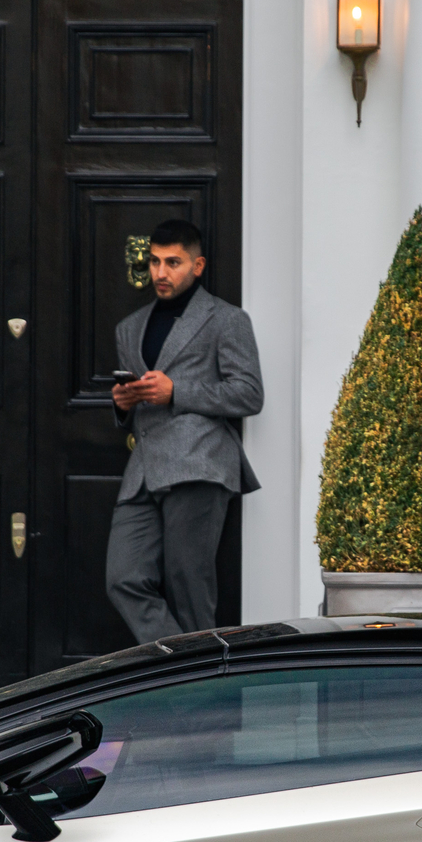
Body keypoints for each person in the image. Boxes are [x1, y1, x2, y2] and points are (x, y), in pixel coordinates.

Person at [106, 219, 263, 643]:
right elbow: (138, 401)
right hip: (142, 470)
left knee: (190, 589)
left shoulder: (227, 319)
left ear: (198, 265)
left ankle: (204, 693)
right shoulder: (130, 327)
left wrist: (177, 391)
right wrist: (123, 405)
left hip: (199, 463)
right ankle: (181, 667)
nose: (160, 272)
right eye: (155, 261)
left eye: (173, 262)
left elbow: (249, 394)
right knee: (123, 577)